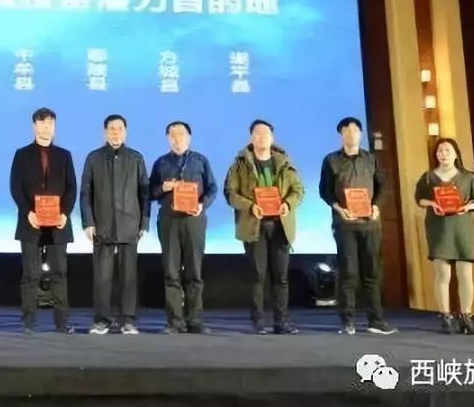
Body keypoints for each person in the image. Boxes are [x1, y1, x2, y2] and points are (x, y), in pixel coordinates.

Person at [224, 119, 305, 335]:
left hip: (280, 225)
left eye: (265, 134)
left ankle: (282, 322)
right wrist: (250, 206)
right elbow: (230, 193)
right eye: (257, 134)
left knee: (281, 277)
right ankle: (258, 322)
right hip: (254, 225)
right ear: (251, 137)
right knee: (257, 276)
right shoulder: (240, 164)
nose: (261, 137)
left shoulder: (284, 162)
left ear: (272, 137)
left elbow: (298, 190)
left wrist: (288, 204)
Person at [319, 117, 397, 335]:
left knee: (372, 273)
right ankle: (348, 321)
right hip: (345, 224)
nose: (351, 133)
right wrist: (338, 208)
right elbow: (325, 191)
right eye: (346, 130)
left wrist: (376, 207)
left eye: (355, 130)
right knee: (348, 272)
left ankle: (376, 320)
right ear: (341, 134)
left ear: (361, 134)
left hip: (370, 224)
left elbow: (382, 188)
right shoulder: (331, 160)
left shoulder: (371, 159)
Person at [10, 108, 77, 335]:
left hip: (58, 223)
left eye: (50, 123)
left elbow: (71, 188)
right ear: (34, 126)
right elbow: (16, 187)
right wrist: (27, 212)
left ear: (54, 127)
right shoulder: (22, 154)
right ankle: (29, 322)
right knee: (30, 275)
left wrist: (65, 213)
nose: (46, 127)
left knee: (60, 273)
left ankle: (62, 323)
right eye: (41, 123)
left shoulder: (64, 155)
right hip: (31, 221)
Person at [80, 114, 149, 335]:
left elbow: (144, 192)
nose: (116, 132)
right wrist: (88, 222)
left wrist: (144, 222)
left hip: (130, 224)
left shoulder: (135, 158)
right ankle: (102, 320)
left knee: (129, 277)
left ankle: (128, 320)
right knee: (102, 277)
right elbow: (86, 193)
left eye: (120, 128)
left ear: (125, 132)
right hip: (102, 225)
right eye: (111, 128)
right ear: (105, 132)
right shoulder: (94, 158)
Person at [149, 121, 218, 334]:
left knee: (194, 271)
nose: (177, 139)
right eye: (173, 135)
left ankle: (194, 319)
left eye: (181, 135)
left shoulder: (200, 160)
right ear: (167, 138)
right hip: (169, 220)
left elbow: (212, 188)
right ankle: (174, 321)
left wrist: (202, 204)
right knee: (171, 272)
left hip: (193, 220)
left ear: (189, 137)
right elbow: (149, 192)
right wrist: (163, 187)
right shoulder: (160, 163)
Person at [415, 137, 474, 335]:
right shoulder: (428, 177)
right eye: (440, 151)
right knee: (442, 273)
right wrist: (432, 204)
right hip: (439, 226)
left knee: (465, 273)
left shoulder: (468, 177)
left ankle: (466, 316)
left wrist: (467, 207)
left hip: (462, 226)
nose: (443, 154)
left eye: (447, 150)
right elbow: (419, 199)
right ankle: (445, 316)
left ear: (455, 154)